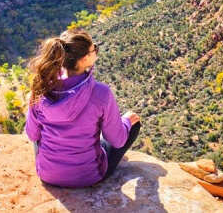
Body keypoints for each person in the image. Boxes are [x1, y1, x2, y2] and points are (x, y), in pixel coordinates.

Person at [24, 29, 141, 187]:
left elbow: (32, 135)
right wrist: (126, 122)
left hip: (47, 175)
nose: (96, 51)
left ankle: (54, 166)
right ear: (85, 58)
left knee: (40, 131)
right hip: (88, 176)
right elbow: (117, 140)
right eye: (95, 49)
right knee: (133, 123)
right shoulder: (101, 93)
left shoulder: (41, 88)